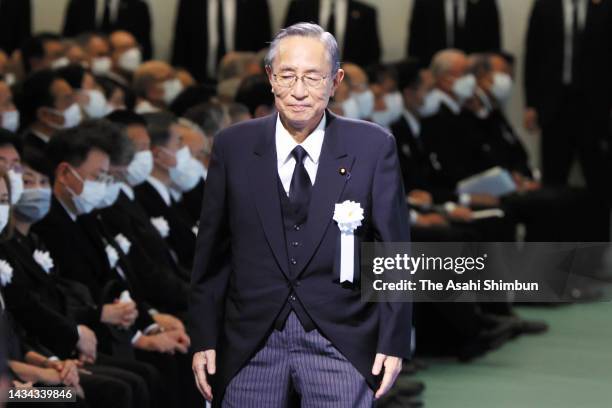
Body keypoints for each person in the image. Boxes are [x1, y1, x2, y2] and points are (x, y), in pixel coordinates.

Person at [190, 23, 411, 406]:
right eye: (287, 75)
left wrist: (394, 341)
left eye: (313, 77)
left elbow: (392, 253)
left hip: (341, 338)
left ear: (336, 80)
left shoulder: (372, 146)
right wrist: (204, 337)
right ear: (269, 78)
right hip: (248, 341)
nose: (298, 91)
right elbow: (212, 254)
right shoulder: (234, 146)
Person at [524, 0, 612, 196]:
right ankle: (553, 225)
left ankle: (598, 225)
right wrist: (531, 104)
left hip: (595, 106)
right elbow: (533, 54)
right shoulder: (545, 6)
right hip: (554, 105)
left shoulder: (604, 6)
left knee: (599, 174)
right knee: (554, 176)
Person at [171, 0, 271, 82]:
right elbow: (180, 46)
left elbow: (264, 47)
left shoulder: (256, 3)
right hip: (198, 82)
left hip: (243, 84)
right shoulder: (189, 3)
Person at [283, 0, 382, 68]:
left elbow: (373, 55)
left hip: (349, 86)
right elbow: (285, 46)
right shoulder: (299, 7)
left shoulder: (366, 13)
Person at [407, 0, 501, 64]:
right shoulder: (424, 2)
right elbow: (415, 42)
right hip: (434, 75)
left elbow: (493, 44)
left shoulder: (486, 2)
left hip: (474, 75)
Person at [62, 0, 153, 60]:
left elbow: (145, 44)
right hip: (85, 62)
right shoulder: (78, 3)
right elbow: (68, 38)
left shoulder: (138, 6)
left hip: (122, 67)